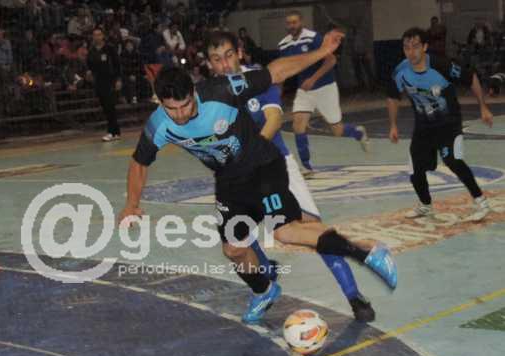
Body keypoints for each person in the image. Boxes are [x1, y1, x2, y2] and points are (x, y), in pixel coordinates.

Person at [119, 30, 397, 325]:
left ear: (194, 93)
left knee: (286, 231)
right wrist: (131, 204)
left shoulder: (221, 91)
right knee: (234, 249)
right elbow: (139, 162)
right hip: (229, 180)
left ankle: (367, 253)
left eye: (185, 105)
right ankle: (264, 290)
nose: (179, 115)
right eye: (171, 109)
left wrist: (321, 52)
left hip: (263, 165)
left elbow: (275, 72)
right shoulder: (159, 124)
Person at [206, 30, 375, 322]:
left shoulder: (259, 79)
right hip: (239, 173)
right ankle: (264, 281)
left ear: (240, 53)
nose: (224, 64)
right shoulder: (209, 96)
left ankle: (354, 295)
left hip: (276, 165)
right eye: (216, 59)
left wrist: (248, 157)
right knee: (237, 233)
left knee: (311, 228)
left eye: (229, 55)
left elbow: (273, 119)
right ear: (209, 63)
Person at [387, 27, 493, 222]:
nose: (411, 52)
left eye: (415, 47)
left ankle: (481, 202)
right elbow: (393, 96)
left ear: (425, 47)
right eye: (406, 47)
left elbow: (471, 78)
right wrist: (393, 125)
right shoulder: (401, 71)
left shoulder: (440, 65)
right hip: (423, 126)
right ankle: (425, 205)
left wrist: (483, 107)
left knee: (453, 160)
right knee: (415, 168)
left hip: (448, 123)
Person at [279, 11, 369, 174]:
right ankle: (306, 166)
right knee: (298, 125)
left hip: (325, 87)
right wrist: (278, 92)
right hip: (304, 90)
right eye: (289, 23)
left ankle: (357, 132)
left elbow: (331, 61)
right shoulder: (284, 45)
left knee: (337, 130)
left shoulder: (314, 38)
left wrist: (313, 79)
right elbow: (284, 69)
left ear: (301, 22)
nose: (292, 26)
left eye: (294, 22)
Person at [87, 26, 122, 142]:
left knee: (110, 105)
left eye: (99, 34)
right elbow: (89, 65)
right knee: (105, 107)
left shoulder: (109, 48)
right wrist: (89, 72)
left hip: (110, 81)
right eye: (95, 35)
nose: (97, 37)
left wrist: (118, 79)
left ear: (103, 36)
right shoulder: (91, 50)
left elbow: (117, 64)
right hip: (99, 81)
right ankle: (116, 132)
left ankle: (111, 131)